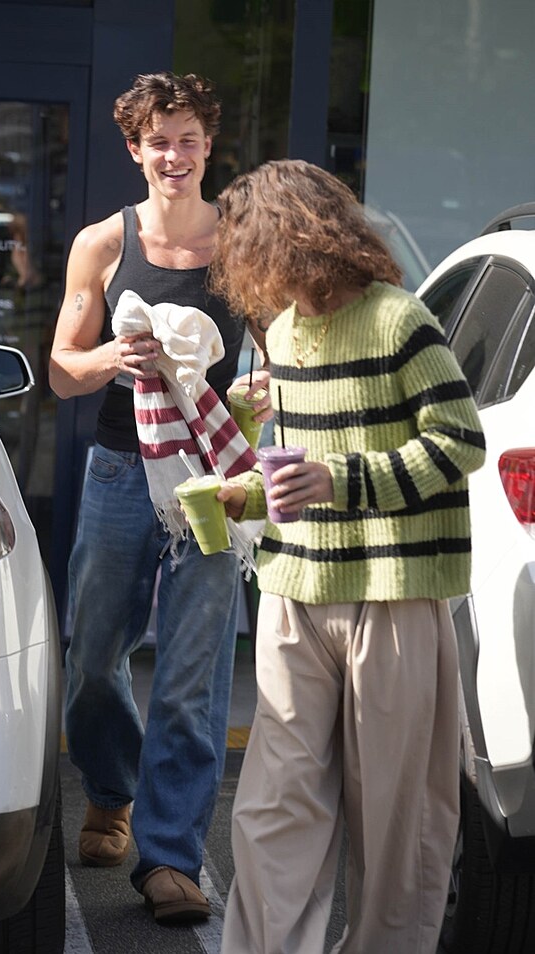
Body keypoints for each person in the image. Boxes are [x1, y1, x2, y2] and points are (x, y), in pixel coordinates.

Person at [209, 159, 487, 954]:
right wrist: (250, 493)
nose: (242, 266)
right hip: (294, 590)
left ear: (295, 237)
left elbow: (461, 441)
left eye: (248, 244)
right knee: (272, 809)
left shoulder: (399, 320)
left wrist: (340, 480)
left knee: (398, 821)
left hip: (393, 593)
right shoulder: (283, 333)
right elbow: (302, 467)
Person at [48, 71, 270, 923]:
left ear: (209, 146)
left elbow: (278, 354)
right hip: (119, 468)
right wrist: (114, 357)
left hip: (211, 477)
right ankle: (111, 790)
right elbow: (63, 371)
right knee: (93, 661)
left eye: (187, 140)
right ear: (135, 150)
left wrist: (264, 391)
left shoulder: (242, 243)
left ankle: (170, 858)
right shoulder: (104, 243)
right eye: (158, 142)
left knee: (191, 675)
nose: (173, 155)